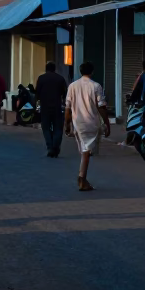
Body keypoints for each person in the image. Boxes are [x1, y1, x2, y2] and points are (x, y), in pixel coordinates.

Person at [64, 62, 111, 192]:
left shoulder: (72, 86)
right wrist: (106, 123)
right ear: (92, 72)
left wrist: (67, 124)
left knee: (85, 150)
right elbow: (101, 106)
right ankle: (82, 178)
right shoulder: (96, 86)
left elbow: (68, 107)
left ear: (80, 71)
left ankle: (83, 177)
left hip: (77, 123)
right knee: (86, 151)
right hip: (91, 123)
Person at [35, 61, 67, 158]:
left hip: (45, 107)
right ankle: (55, 147)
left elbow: (37, 93)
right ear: (54, 69)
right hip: (57, 107)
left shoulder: (41, 78)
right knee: (58, 128)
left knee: (46, 128)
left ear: (46, 69)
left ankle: (50, 147)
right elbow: (65, 93)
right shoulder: (60, 79)